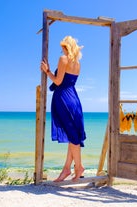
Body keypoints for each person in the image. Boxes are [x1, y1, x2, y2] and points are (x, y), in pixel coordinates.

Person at [40, 35, 86, 182]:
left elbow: (58, 81)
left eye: (63, 48)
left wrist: (47, 71)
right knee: (73, 135)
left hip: (63, 99)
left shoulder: (63, 59)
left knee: (73, 137)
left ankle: (78, 167)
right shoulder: (77, 64)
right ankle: (67, 169)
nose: (62, 51)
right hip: (74, 99)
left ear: (67, 47)